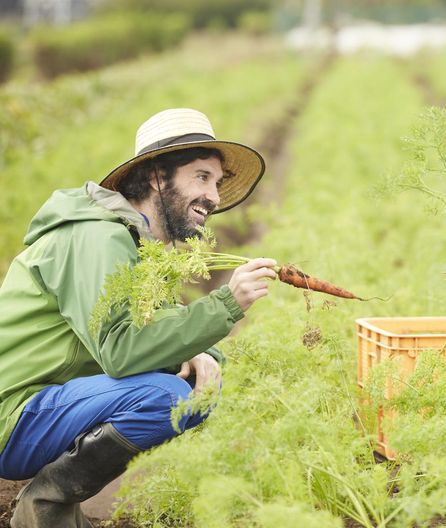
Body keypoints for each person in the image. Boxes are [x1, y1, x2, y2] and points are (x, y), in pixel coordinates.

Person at [0, 108, 278, 527]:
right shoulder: (98, 237)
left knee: (193, 385)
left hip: (52, 402)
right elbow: (120, 351)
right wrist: (226, 303)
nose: (215, 197)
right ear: (155, 177)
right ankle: (44, 508)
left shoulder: (140, 248)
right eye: (201, 177)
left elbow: (163, 329)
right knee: (167, 399)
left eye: (217, 183)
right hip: (14, 415)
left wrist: (202, 354)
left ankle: (62, 506)